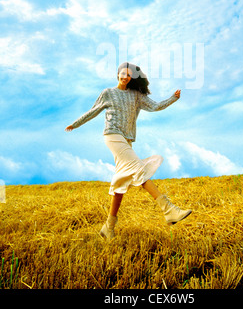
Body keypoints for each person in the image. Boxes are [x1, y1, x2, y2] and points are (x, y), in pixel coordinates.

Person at [65, 62, 192, 240]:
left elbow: (155, 106)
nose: (125, 77)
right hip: (112, 135)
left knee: (121, 183)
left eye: (129, 75)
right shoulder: (108, 93)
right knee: (139, 169)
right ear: (118, 75)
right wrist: (75, 124)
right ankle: (168, 209)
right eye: (122, 74)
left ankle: (108, 227)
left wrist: (173, 98)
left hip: (127, 139)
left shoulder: (136, 95)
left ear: (132, 78)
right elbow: (93, 111)